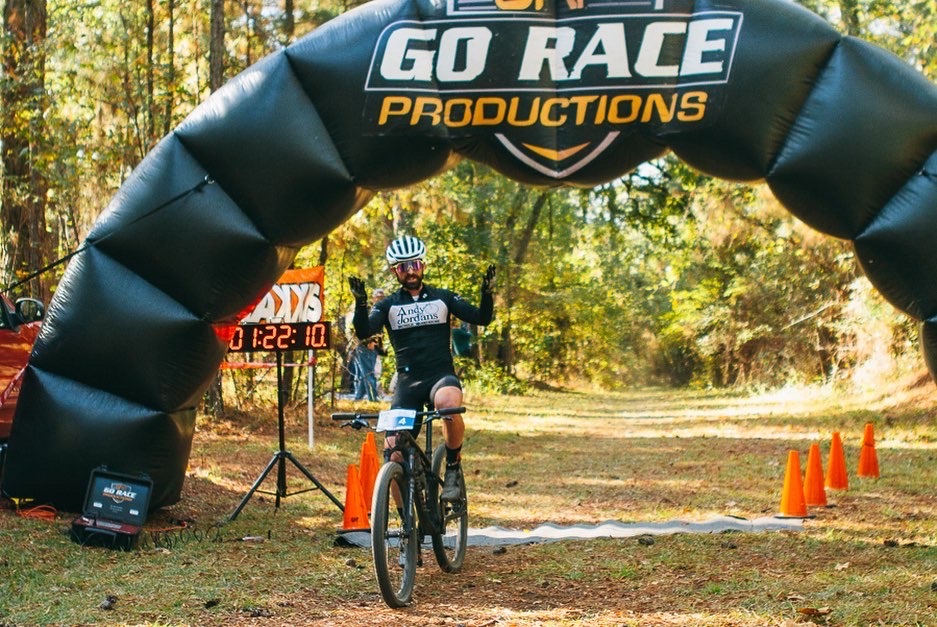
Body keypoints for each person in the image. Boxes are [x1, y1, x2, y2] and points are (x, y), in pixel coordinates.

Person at [348, 235, 495, 501]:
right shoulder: (388, 305)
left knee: (447, 406)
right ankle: (405, 520)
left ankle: (452, 467)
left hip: (441, 376)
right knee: (393, 454)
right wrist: (360, 303)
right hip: (408, 384)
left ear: (423, 265)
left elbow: (482, 317)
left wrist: (487, 294)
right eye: (403, 267)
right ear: (395, 272)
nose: (411, 271)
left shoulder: (443, 298)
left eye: (415, 264)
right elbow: (364, 331)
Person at [350, 336, 382, 401]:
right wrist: (371, 341)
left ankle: (358, 397)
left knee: (365, 374)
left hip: (369, 345)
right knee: (368, 374)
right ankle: (373, 398)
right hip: (367, 345)